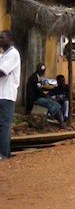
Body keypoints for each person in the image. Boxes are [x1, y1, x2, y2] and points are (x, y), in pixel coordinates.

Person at [0, 31, 21, 159]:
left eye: (2, 38)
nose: (0, 40)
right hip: (2, 95)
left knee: (4, 126)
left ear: (10, 39)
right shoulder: (4, 55)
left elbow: (2, 72)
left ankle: (4, 154)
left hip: (7, 95)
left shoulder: (13, 54)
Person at [25, 63, 66, 127]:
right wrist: (46, 96)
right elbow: (38, 91)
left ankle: (59, 120)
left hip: (36, 97)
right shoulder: (35, 78)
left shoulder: (37, 77)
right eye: (42, 71)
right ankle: (61, 123)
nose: (42, 72)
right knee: (52, 104)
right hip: (34, 99)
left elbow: (39, 89)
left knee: (52, 101)